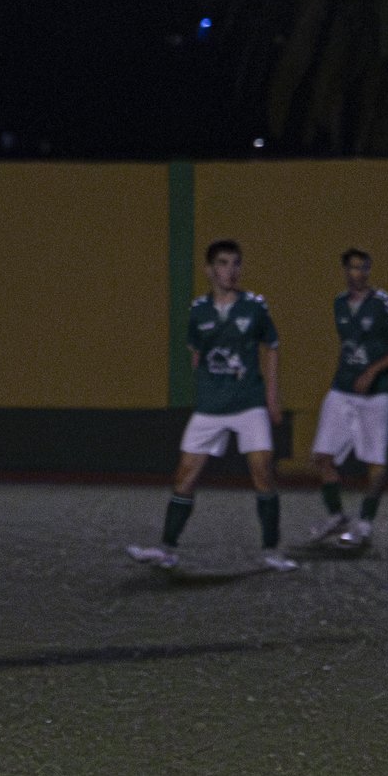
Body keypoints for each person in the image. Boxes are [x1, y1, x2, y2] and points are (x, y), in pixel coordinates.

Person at [127, 239, 296, 572]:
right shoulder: (198, 310)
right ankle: (166, 549)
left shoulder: (255, 306)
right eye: (222, 263)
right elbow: (196, 354)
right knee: (184, 476)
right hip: (210, 407)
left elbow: (272, 346)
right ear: (209, 270)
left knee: (263, 471)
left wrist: (272, 397)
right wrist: (206, 388)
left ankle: (272, 550)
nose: (230, 270)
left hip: (248, 403)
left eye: (235, 263)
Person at [310, 247, 388, 549]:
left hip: (375, 396)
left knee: (375, 462)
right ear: (345, 271)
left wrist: (372, 371)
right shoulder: (339, 303)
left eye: (364, 268)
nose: (359, 274)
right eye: (354, 268)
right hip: (342, 389)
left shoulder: (382, 303)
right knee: (321, 457)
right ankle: (337, 516)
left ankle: (364, 522)